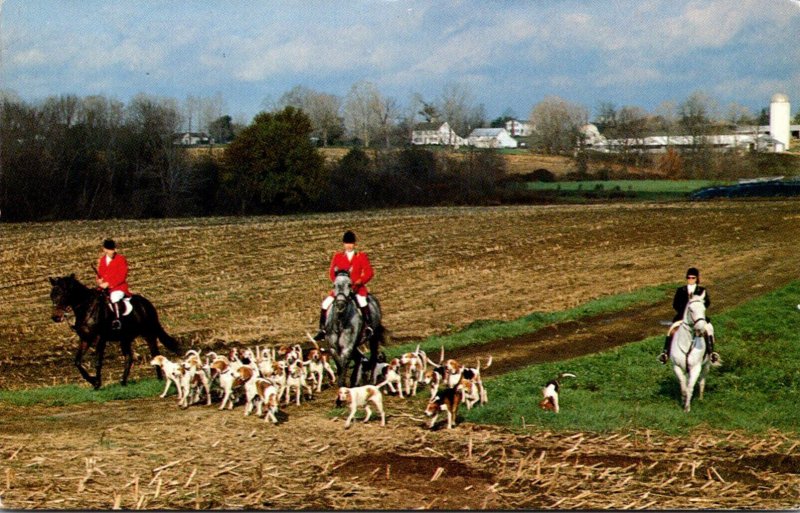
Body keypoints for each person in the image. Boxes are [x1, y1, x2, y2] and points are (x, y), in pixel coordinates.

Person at [313, 230, 374, 341]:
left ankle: (368, 327)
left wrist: (361, 280)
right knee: (325, 304)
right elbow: (331, 273)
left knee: (362, 302)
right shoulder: (337, 257)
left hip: (356, 288)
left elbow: (369, 272)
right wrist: (338, 283)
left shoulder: (361, 256)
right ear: (343, 244)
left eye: (350, 243)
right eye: (346, 243)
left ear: (354, 244)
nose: (349, 246)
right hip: (340, 290)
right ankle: (322, 330)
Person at [659, 267, 719, 364]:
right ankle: (665, 353)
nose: (690, 280)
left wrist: (698, 311)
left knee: (709, 328)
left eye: (693, 278)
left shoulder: (701, 290)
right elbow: (675, 304)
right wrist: (684, 312)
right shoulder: (680, 290)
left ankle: (711, 353)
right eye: (689, 278)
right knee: (671, 330)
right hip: (683, 317)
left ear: (697, 279)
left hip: (697, 318)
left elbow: (707, 302)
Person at [95, 239, 131, 330]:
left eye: (113, 249)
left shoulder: (121, 259)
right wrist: (99, 281)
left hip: (118, 287)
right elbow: (100, 274)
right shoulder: (103, 260)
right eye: (110, 249)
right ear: (105, 250)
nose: (113, 251)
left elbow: (122, 276)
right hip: (103, 287)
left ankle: (117, 320)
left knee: (114, 297)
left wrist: (109, 283)